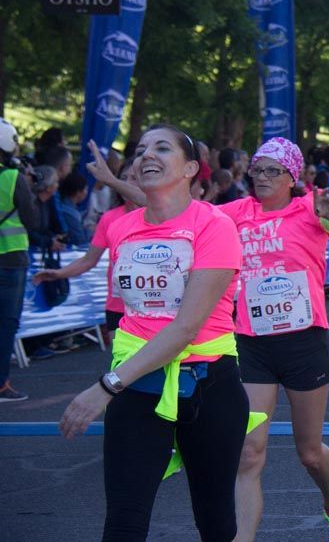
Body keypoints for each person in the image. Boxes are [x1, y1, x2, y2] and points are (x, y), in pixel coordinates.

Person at [57, 124, 250, 540]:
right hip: (138, 382)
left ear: (191, 169)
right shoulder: (121, 228)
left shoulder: (214, 226)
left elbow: (185, 327)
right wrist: (119, 382)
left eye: (162, 148)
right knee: (123, 523)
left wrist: (105, 387)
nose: (146, 155)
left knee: (215, 521)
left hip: (208, 384)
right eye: (141, 149)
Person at [217, 137, 329, 541]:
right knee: (248, 453)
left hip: (303, 340)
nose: (261, 177)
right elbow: (185, 214)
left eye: (272, 171)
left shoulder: (309, 207)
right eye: (257, 169)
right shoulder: (237, 212)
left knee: (310, 454)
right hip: (251, 341)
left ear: (291, 177)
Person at [34, 154, 140, 343]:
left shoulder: (161, 216)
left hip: (154, 307)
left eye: (134, 178)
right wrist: (59, 274)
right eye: (123, 178)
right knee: (122, 360)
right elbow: (88, 260)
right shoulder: (109, 218)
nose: (127, 183)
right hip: (118, 308)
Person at [0, 119, 41, 402]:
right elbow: (32, 220)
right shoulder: (12, 178)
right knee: (6, 323)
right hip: (10, 262)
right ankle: (1, 384)